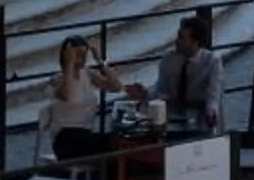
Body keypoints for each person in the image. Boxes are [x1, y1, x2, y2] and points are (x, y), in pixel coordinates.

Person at [96, 12, 224, 129]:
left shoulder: (212, 62)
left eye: (182, 37)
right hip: (174, 113)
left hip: (200, 113)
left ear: (195, 42)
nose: (176, 41)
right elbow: (161, 88)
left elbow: (213, 94)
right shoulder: (169, 59)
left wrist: (211, 112)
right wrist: (146, 93)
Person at [43, 35, 108, 160]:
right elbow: (66, 94)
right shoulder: (56, 80)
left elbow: (116, 86)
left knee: (116, 141)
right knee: (108, 142)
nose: (81, 60)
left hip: (85, 133)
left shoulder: (88, 74)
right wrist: (69, 64)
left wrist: (100, 62)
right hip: (64, 138)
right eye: (77, 55)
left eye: (83, 55)